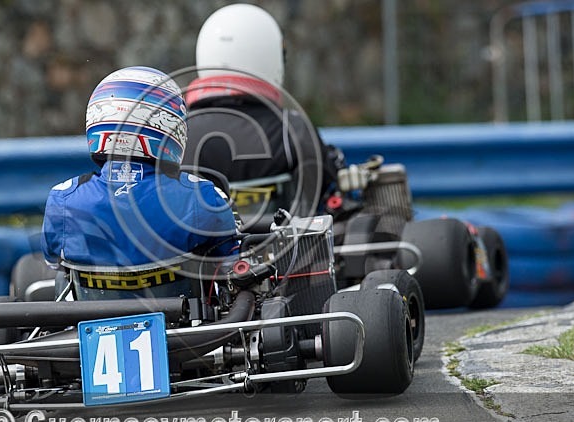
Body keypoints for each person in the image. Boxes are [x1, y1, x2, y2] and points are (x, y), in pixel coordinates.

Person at [41, 66, 238, 272]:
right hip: (178, 303)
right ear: (168, 124)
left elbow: (55, 264)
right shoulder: (203, 197)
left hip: (95, 304)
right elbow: (232, 266)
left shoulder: (63, 200)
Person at [183, 3, 350, 227]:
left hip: (201, 258)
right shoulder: (293, 130)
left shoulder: (180, 132)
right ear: (271, 57)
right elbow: (325, 192)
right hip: (286, 258)